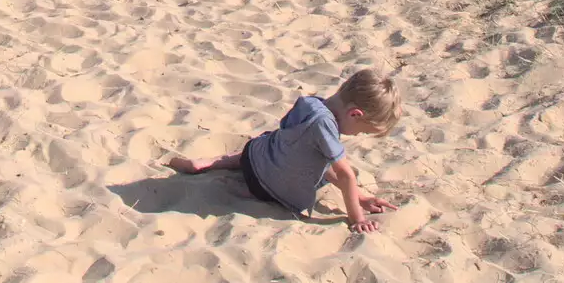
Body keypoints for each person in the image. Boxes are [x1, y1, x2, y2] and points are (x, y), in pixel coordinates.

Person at [166, 69, 402, 231]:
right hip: (268, 191)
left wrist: (362, 197)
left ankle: (216, 162)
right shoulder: (325, 126)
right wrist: (357, 217)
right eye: (361, 131)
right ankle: (227, 165)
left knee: (271, 141)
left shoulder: (311, 104)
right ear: (355, 114)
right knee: (312, 156)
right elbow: (344, 174)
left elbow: (308, 155)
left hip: (253, 160)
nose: (357, 135)